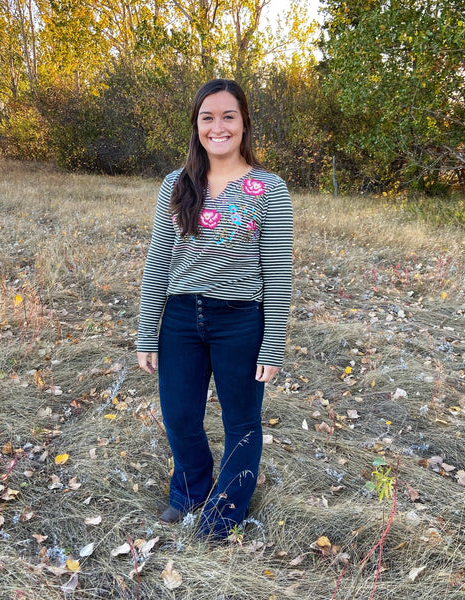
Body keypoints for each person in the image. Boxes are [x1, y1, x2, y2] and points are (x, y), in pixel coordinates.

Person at [136, 78, 293, 539]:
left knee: (241, 421)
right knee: (180, 416)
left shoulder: (269, 188)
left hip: (240, 323)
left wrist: (272, 345)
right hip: (182, 319)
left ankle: (225, 513)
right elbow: (158, 262)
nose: (218, 126)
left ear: (244, 124)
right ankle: (189, 491)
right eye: (208, 117)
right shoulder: (177, 184)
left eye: (228, 116)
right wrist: (148, 331)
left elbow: (278, 275)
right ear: (196, 125)